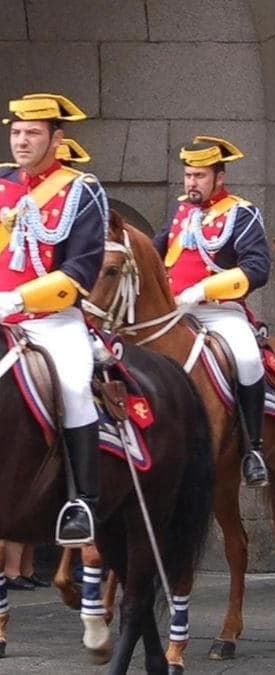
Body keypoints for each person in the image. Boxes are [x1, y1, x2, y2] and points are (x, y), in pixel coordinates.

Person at [0, 93, 107, 545]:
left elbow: (80, 272)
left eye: (32, 133)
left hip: (51, 318)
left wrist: (15, 299)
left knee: (74, 387)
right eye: (16, 132)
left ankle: (82, 501)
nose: (21, 141)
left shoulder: (82, 190)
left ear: (56, 139)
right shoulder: (2, 184)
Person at [153, 135, 271, 487]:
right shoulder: (180, 213)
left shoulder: (241, 213)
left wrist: (204, 290)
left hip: (221, 313)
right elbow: (156, 252)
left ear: (219, 177)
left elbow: (257, 269)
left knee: (249, 359)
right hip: (174, 312)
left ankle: (253, 448)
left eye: (200, 176)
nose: (192, 183)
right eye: (188, 175)